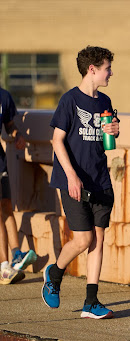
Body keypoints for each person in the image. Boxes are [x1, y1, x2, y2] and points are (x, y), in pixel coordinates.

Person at [41, 46, 119, 319]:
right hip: (73, 180)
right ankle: (55, 272)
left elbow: (105, 142)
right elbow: (57, 140)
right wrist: (72, 177)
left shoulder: (105, 101)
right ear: (92, 69)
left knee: (98, 239)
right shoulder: (69, 100)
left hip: (100, 179)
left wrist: (113, 129)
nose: (111, 72)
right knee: (83, 239)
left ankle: (91, 302)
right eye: (107, 68)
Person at [0, 87, 37, 284]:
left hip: (0, 160)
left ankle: (15, 255)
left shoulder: (4, 96)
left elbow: (9, 124)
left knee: (6, 205)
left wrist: (17, 134)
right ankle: (4, 266)